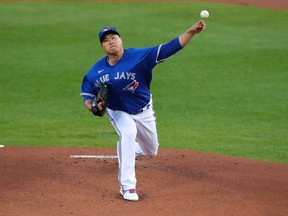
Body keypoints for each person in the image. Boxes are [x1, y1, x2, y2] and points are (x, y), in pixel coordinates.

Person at [80, 20, 206, 201]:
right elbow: (87, 95)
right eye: (106, 40)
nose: (111, 41)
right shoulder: (96, 71)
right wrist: (93, 106)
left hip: (144, 109)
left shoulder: (140, 56)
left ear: (121, 40)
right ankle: (128, 187)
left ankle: (126, 150)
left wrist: (191, 32)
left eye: (114, 37)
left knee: (151, 151)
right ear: (102, 46)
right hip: (118, 111)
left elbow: (170, 48)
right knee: (128, 134)